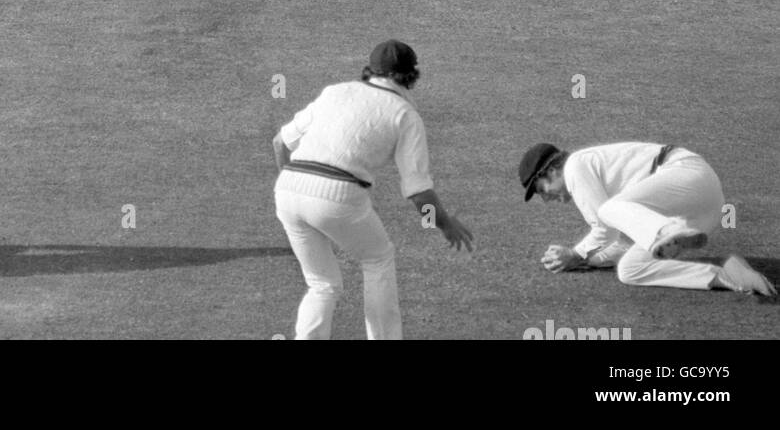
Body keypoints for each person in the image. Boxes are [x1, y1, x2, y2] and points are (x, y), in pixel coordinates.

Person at [273, 40, 473, 340]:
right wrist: (444, 225)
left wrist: (297, 190)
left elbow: (280, 142)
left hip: (287, 189)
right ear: (412, 75)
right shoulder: (406, 115)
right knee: (378, 258)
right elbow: (418, 191)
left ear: (370, 70)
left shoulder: (334, 92)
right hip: (338, 196)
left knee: (322, 284)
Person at [520, 140, 776, 297]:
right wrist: (590, 260)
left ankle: (667, 231)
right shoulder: (627, 208)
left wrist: (575, 254)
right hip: (701, 210)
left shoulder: (575, 165)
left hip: (687, 174)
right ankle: (730, 277)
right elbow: (621, 240)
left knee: (608, 211)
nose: (546, 199)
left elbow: (604, 227)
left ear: (553, 170)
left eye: (542, 190)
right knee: (629, 270)